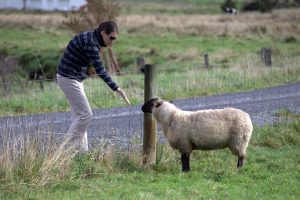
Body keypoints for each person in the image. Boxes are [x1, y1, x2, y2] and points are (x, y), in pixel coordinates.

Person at [56, 21, 129, 152]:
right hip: (68, 79)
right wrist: (116, 88)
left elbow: (83, 58)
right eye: (111, 37)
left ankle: (83, 155)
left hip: (74, 78)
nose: (112, 41)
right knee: (86, 115)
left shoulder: (91, 37)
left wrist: (87, 69)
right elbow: (100, 70)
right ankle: (63, 152)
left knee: (80, 119)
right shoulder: (92, 43)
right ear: (103, 33)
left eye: (115, 38)